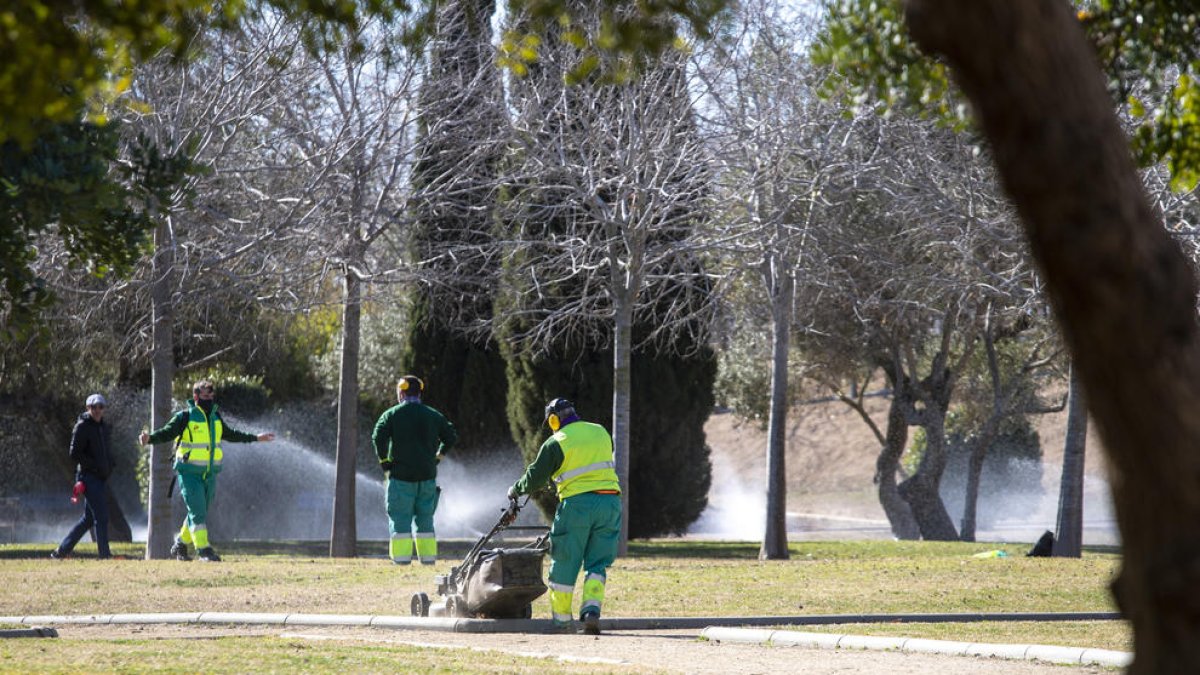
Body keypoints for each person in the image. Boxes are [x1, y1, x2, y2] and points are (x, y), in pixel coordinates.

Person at [507, 398, 621, 635]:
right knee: (598, 564)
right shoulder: (600, 431)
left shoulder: (556, 442)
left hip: (578, 505)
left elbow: (535, 476)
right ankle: (591, 611)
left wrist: (516, 489)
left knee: (564, 562)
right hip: (610, 503)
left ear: (553, 419)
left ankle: (561, 622)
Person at [138, 379, 274, 562]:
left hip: (209, 475)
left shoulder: (215, 418)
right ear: (196, 397)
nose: (209, 398)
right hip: (188, 474)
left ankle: (180, 543)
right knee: (198, 511)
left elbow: (231, 434)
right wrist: (150, 438)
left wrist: (256, 438)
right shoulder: (184, 417)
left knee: (198, 512)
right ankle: (203, 550)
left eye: (211, 395)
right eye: (205, 395)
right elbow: (167, 433)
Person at [372, 375, 457, 565]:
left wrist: (385, 461)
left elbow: (378, 437)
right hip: (427, 478)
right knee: (425, 520)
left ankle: (402, 562)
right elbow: (450, 436)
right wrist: (438, 457)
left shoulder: (392, 415)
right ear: (419, 392)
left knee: (401, 520)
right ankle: (427, 561)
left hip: (400, 479)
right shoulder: (433, 415)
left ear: (401, 392)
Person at [52, 394, 116, 560]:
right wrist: (94, 466)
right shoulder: (82, 426)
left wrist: (110, 465)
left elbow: (107, 451)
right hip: (88, 477)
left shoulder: (103, 427)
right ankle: (104, 555)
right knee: (101, 517)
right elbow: (74, 453)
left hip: (100, 478)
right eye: (93, 407)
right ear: (88, 408)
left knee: (88, 519)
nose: (97, 410)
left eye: (100, 407)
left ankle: (61, 551)